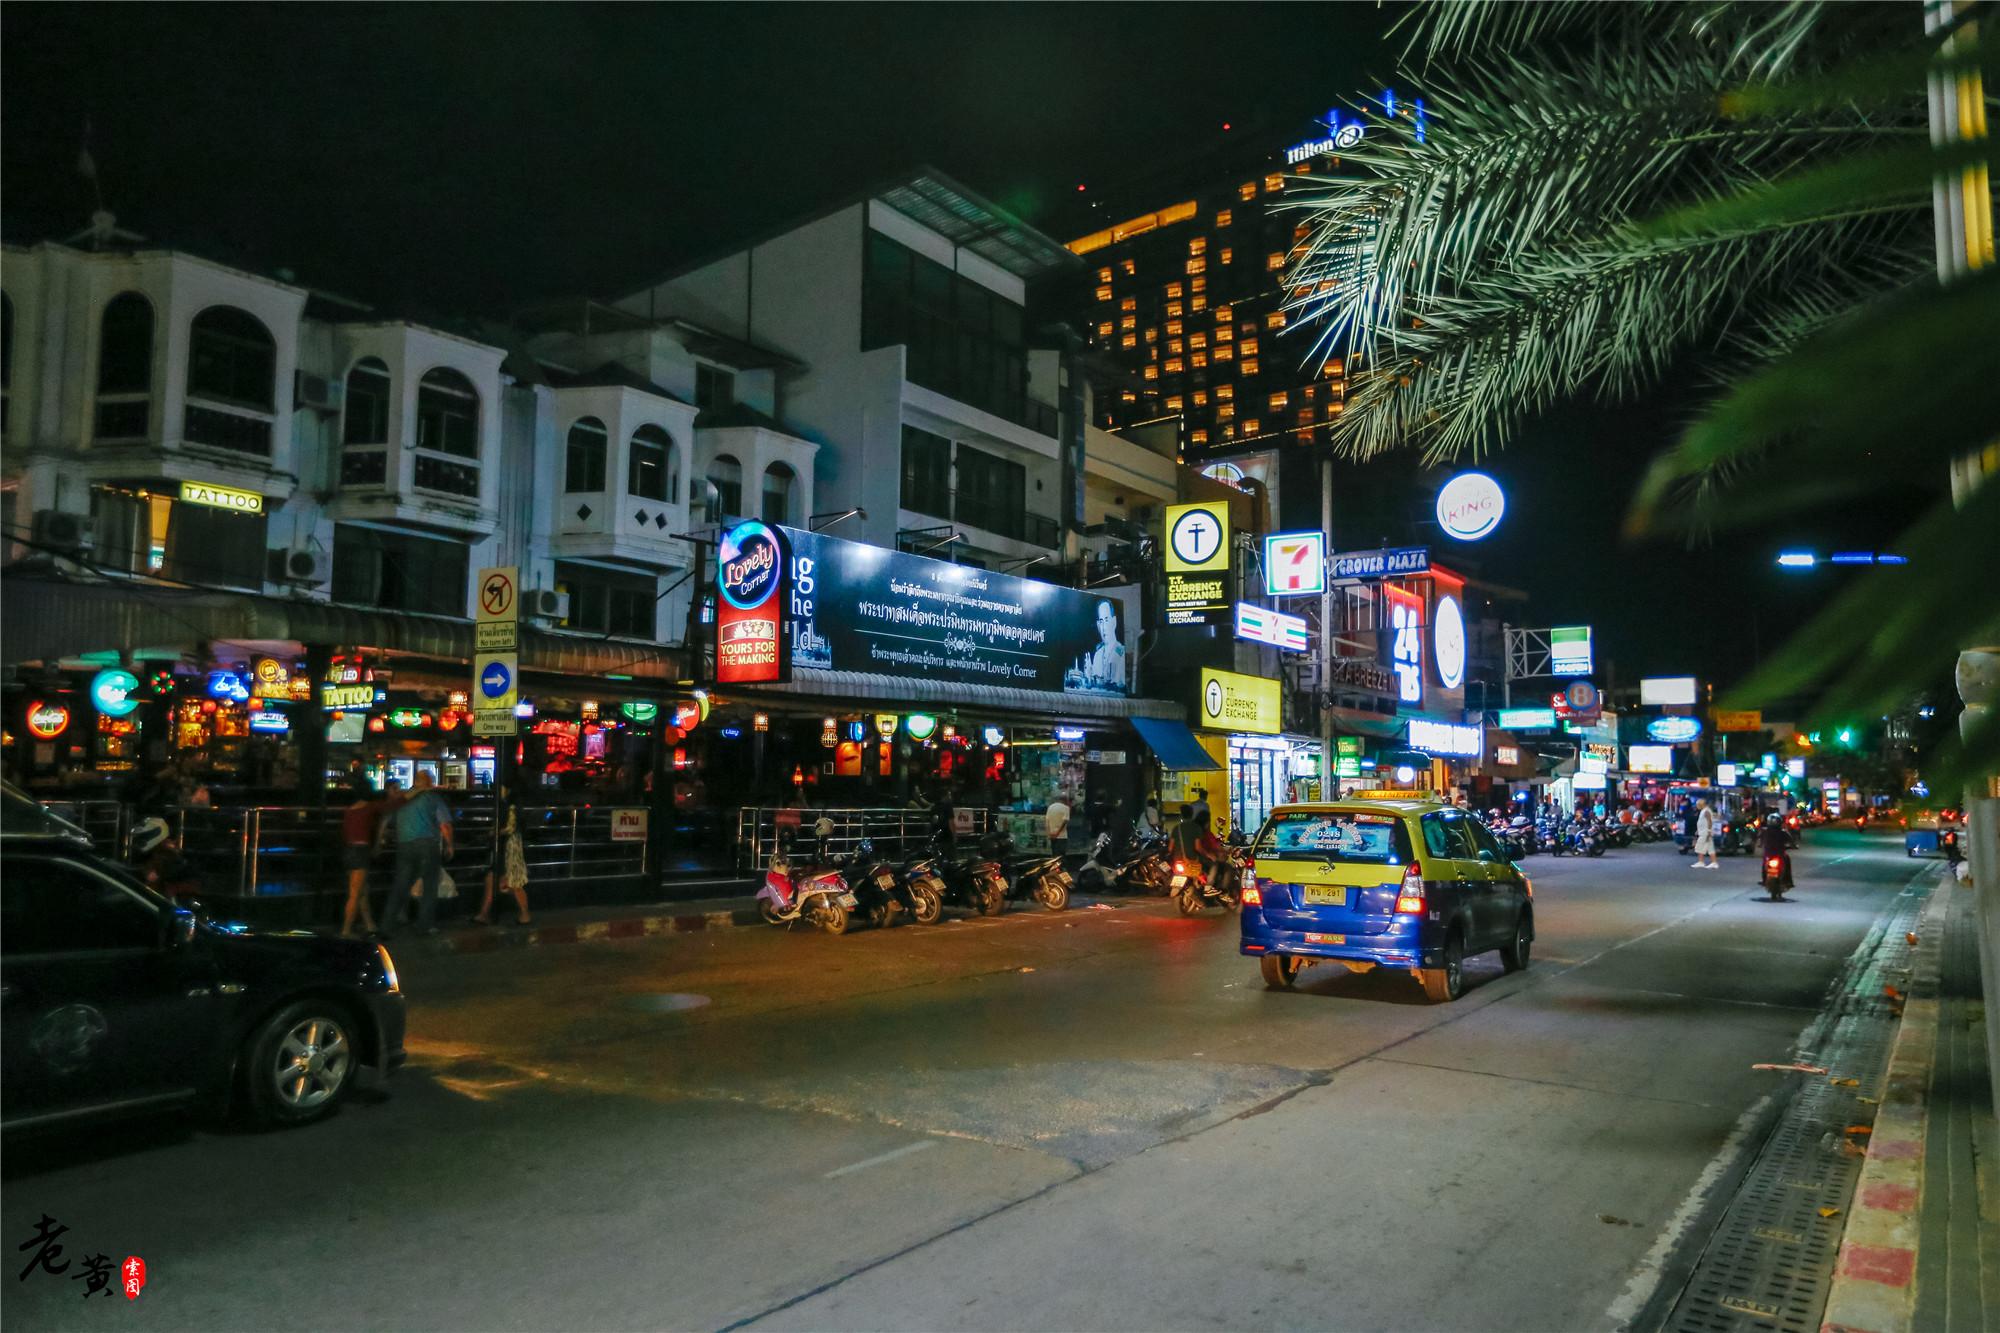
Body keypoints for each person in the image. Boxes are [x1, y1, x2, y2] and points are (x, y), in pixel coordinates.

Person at [382, 772, 453, 935]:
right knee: (429, 885)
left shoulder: (403, 798)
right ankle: (425, 925)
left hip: (404, 845)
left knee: (400, 885)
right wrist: (450, 845)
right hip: (427, 845)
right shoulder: (433, 798)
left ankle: (387, 925)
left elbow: (388, 819)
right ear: (428, 782)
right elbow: (445, 825)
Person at [473, 779, 532, 927]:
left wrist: (495, 832)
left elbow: (510, 828)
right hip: (509, 846)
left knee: (510, 882)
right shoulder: (510, 805)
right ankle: (485, 914)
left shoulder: (509, 806)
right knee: (502, 880)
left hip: (509, 847)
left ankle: (522, 914)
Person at [338, 779, 383, 938]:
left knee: (362, 890)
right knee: (356, 893)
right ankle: (346, 930)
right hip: (361, 850)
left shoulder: (349, 810)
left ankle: (370, 925)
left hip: (349, 850)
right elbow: (392, 805)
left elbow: (344, 832)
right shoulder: (369, 808)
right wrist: (415, 791)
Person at [130, 817, 200, 898]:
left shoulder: (167, 856)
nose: (139, 842)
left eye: (143, 837)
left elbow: (154, 880)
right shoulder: (156, 854)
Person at [1082, 600, 1127, 690]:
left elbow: (1118, 686)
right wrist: (1089, 677)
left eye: (1107, 620)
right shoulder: (1098, 655)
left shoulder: (1121, 652)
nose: (1104, 627)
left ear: (1114, 622)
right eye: (1101, 621)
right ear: (1098, 625)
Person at [1692, 798, 1718, 869]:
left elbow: (1709, 821)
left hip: (1705, 832)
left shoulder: (1706, 811)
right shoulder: (1704, 811)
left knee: (1700, 846)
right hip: (1703, 831)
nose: (1697, 806)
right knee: (1710, 848)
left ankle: (1701, 862)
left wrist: (1709, 831)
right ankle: (1714, 862)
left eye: (1698, 805)